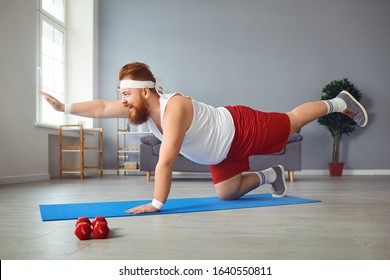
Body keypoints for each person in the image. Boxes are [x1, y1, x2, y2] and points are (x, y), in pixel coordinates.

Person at [40, 62, 368, 214]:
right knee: (226, 193)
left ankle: (340, 102)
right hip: (220, 155)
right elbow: (100, 106)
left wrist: (157, 204)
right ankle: (272, 176)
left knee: (293, 123)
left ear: (144, 91)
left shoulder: (175, 108)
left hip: (240, 128)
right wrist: (63, 106)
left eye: (126, 93)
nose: (122, 100)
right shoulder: (138, 109)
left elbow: (166, 160)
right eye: (121, 94)